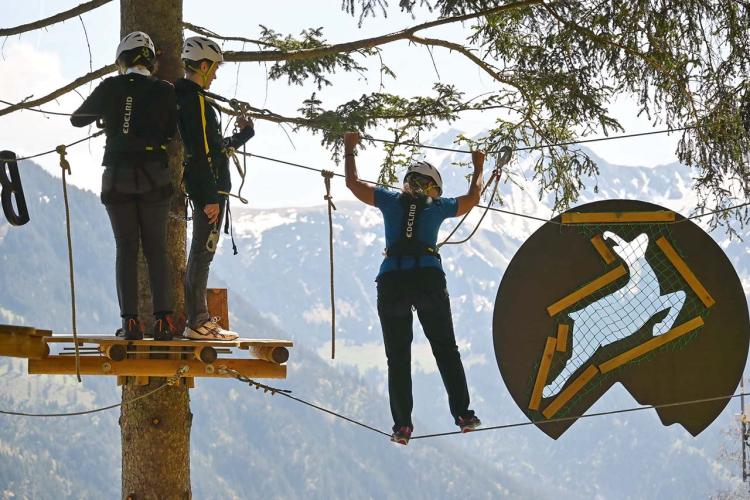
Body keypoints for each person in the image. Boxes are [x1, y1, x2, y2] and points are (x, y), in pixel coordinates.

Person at [342, 131, 485, 445]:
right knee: (446, 350)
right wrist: (478, 167)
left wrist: (350, 148)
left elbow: (353, 184)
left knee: (398, 357)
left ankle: (403, 426)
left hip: (392, 280)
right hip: (428, 279)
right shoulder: (438, 206)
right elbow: (473, 198)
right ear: (432, 186)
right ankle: (463, 414)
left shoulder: (391, 201)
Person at [71, 32, 177, 341]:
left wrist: (110, 115)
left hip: (117, 174)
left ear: (123, 60)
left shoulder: (110, 87)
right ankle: (164, 322)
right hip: (154, 174)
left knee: (126, 248)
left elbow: (78, 120)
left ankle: (131, 323)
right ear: (150, 61)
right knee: (156, 249)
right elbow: (171, 131)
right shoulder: (164, 90)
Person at [175, 36, 255, 340]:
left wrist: (242, 137)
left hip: (207, 187)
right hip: (210, 191)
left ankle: (199, 320)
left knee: (200, 255)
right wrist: (209, 197)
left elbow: (214, 148)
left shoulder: (187, 99)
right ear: (204, 66)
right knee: (202, 255)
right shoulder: (196, 102)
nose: (216, 74)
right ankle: (198, 322)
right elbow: (200, 151)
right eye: (215, 68)